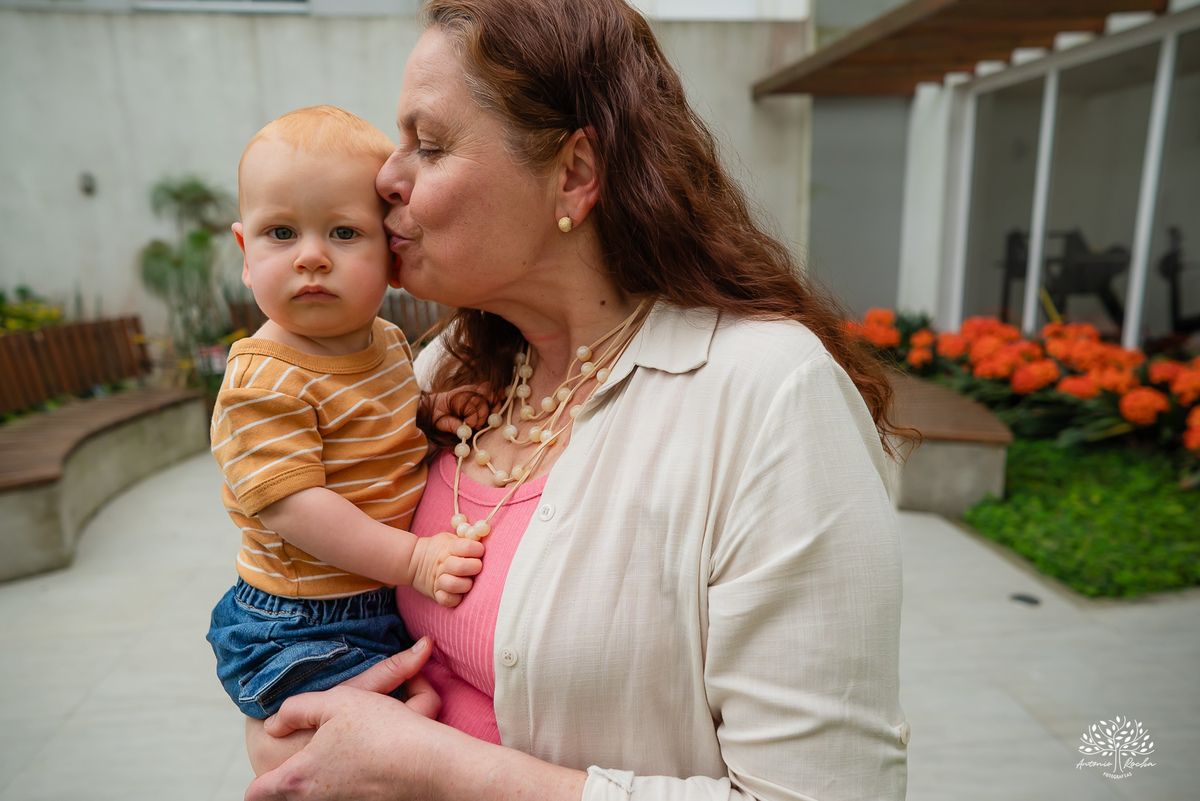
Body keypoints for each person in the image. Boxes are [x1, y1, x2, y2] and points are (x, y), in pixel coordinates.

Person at [245, 1, 909, 799]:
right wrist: (285, 723)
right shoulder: (443, 369)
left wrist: (432, 768)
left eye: (429, 143)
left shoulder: (769, 396)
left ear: (575, 173)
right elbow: (303, 596)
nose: (386, 174)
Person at [205, 106, 485, 757]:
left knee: (410, 726)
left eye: (342, 232)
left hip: (370, 600)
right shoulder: (263, 379)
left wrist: (435, 412)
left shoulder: (386, 343)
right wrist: (414, 560)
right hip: (296, 622)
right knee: (370, 754)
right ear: (246, 254)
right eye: (281, 232)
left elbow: (385, 431)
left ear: (392, 254)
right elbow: (299, 508)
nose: (310, 257)